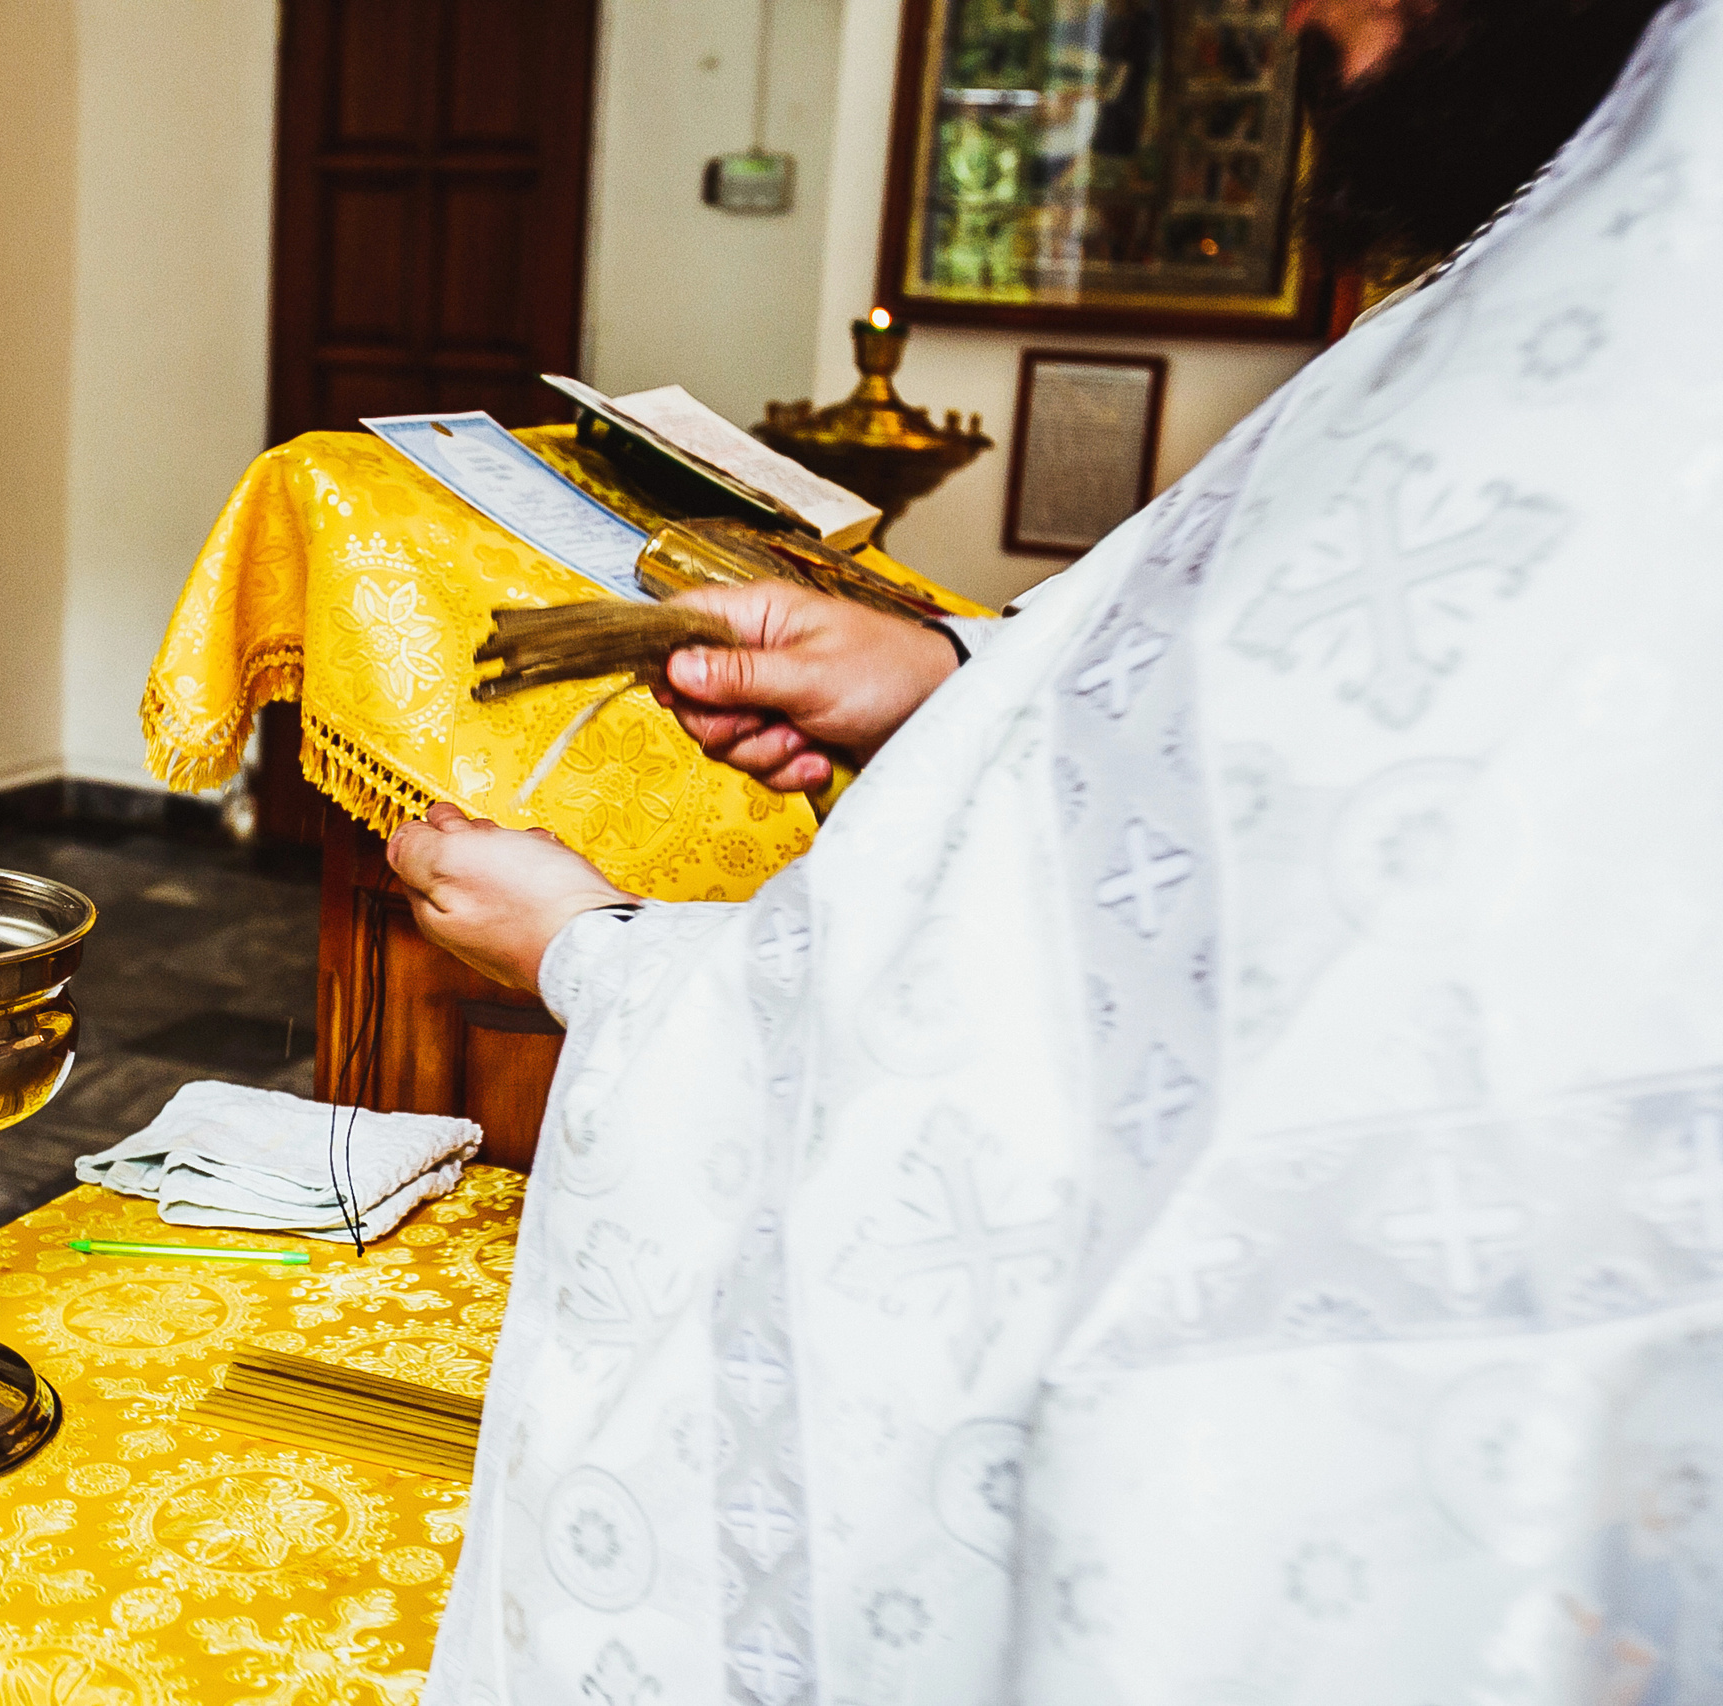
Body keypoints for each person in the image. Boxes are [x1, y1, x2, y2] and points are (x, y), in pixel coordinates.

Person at [392, 0, 1714, 1698]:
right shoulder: (1566, 254)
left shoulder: (1644, 322)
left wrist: (599, 954)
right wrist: (949, 675)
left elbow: (1119, 1095)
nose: (1293, 16)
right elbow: (1268, 747)